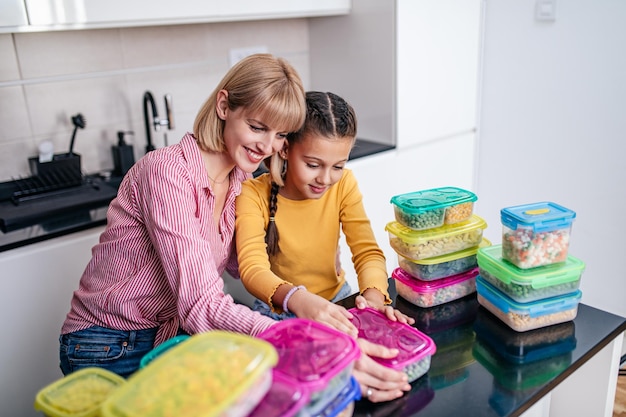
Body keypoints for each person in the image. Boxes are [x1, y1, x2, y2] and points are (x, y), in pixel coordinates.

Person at [58, 53, 307, 378]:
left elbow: (247, 265)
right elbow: (201, 305)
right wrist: (289, 335)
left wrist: (303, 296)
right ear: (223, 106)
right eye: (258, 127)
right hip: (106, 343)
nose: (268, 146)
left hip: (169, 336)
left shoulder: (241, 181)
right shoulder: (166, 172)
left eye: (281, 135)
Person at [235, 91, 414, 401]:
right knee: (311, 392)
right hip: (280, 313)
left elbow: (366, 250)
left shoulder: (344, 184)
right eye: (314, 164)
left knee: (381, 363)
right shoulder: (253, 194)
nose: (326, 179)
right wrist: (298, 299)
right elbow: (251, 269)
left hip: (338, 301)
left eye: (337, 166)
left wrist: (373, 296)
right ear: (287, 148)